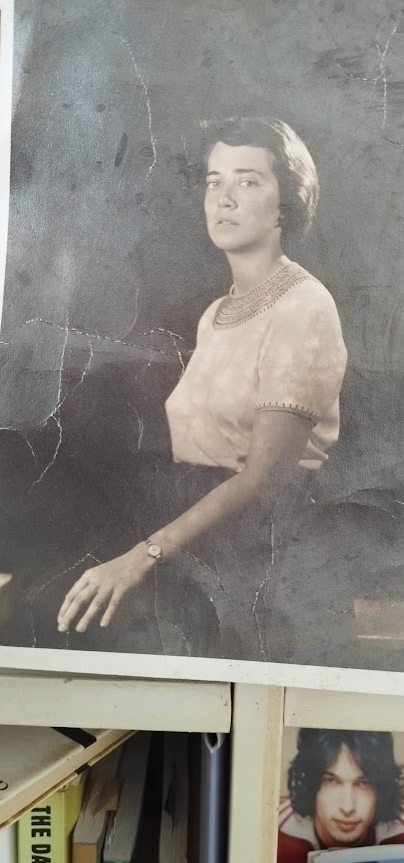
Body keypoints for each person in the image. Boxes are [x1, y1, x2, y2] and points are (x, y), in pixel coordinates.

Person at [56, 116, 347, 646]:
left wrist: (143, 555)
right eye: (215, 182)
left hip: (264, 555)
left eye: (248, 181)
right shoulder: (217, 313)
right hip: (198, 539)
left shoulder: (305, 305)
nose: (224, 199)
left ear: (287, 202)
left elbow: (264, 480)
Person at [278, 729, 404, 862]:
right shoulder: (273, 829)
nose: (347, 807)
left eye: (364, 783)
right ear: (309, 782)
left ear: (382, 787)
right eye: (330, 780)